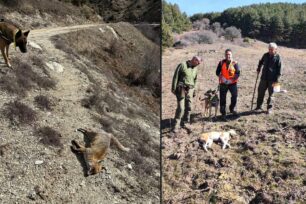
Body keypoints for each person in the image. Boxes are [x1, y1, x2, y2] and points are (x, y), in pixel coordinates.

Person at [171, 56, 202, 132]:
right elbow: (176, 76)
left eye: (199, 63)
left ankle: (185, 122)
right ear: (194, 60)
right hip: (181, 89)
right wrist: (173, 88)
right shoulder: (182, 65)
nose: (198, 64)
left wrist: (194, 90)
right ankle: (176, 125)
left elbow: (195, 80)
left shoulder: (195, 68)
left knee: (189, 107)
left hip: (190, 90)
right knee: (181, 108)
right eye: (198, 62)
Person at [255, 42, 282, 114]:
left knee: (271, 95)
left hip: (273, 79)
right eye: (269, 49)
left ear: (275, 49)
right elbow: (261, 62)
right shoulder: (265, 55)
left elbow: (279, 69)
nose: (270, 51)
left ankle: (269, 109)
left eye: (272, 49)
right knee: (260, 92)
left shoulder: (278, 57)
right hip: (263, 77)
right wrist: (258, 68)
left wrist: (277, 80)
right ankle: (258, 106)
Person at [216, 49, 240, 121]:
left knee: (234, 96)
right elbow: (217, 72)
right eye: (226, 54)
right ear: (225, 55)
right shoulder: (221, 62)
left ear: (231, 55)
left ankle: (232, 108)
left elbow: (238, 73)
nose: (228, 56)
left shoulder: (235, 63)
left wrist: (232, 79)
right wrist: (221, 77)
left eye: (229, 54)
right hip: (223, 83)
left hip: (232, 83)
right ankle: (223, 113)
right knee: (222, 98)